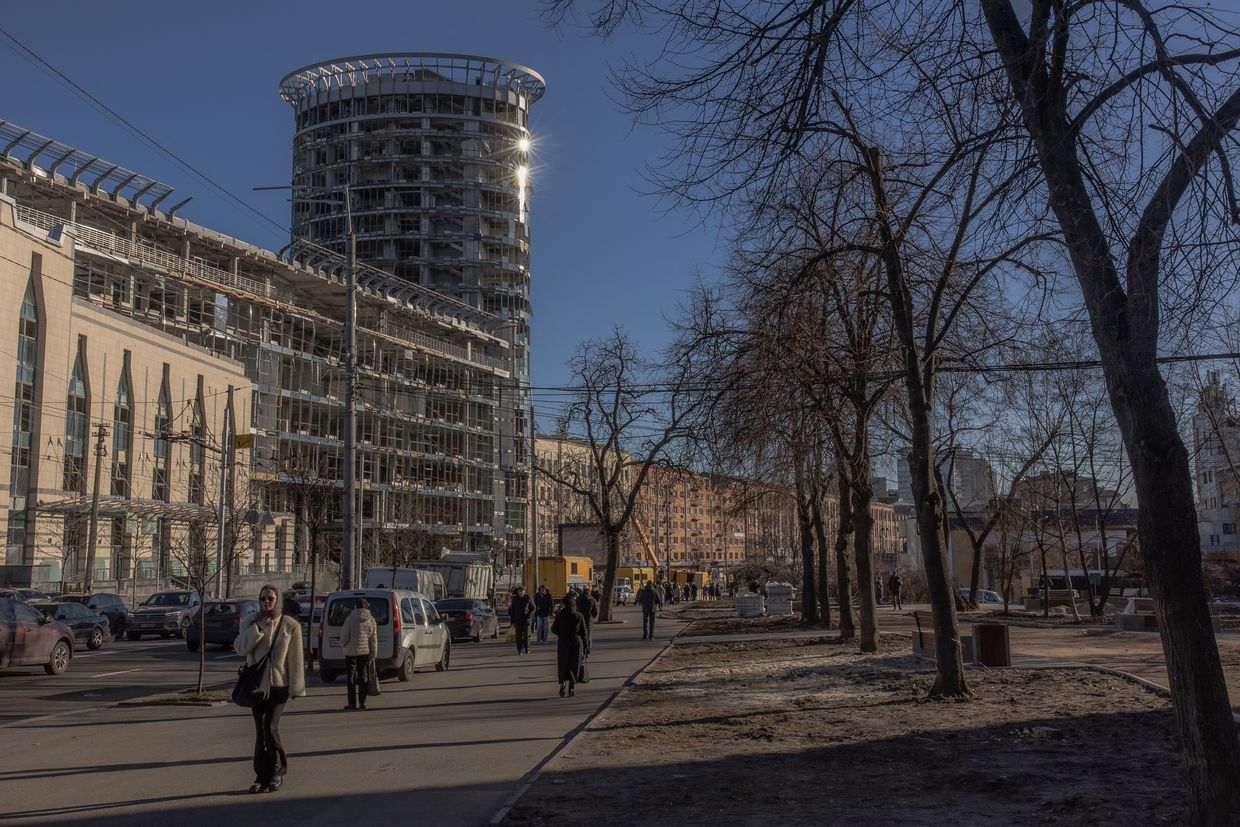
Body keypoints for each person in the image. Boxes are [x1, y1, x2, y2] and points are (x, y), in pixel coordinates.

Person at [235, 584, 304, 794]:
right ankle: (260, 776)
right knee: (260, 730)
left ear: (277, 601)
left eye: (270, 599)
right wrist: (258, 630)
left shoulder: (290, 625)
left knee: (270, 727)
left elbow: (296, 659)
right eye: (263, 598)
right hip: (257, 686)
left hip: (279, 686)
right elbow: (240, 648)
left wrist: (296, 688)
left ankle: (277, 770)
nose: (266, 602)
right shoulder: (250, 623)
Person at [339, 597, 378, 711]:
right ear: (366, 607)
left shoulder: (350, 619)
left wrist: (343, 645)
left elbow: (344, 635)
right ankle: (362, 703)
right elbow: (373, 640)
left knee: (350, 677)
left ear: (355, 606)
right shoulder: (371, 620)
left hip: (351, 652)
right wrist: (373, 654)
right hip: (365, 653)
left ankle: (351, 703)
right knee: (363, 676)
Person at [551, 593, 587, 697]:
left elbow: (553, 629)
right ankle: (572, 686)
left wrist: (561, 633)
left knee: (563, 664)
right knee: (574, 665)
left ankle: (563, 683)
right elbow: (584, 632)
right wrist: (586, 646)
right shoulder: (579, 615)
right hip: (576, 642)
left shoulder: (560, 614)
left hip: (563, 642)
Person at [575, 587, 599, 656]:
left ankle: (581, 649)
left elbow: (575, 609)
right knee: (588, 635)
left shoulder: (578, 599)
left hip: (580, 619)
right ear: (589, 592)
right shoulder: (592, 599)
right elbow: (596, 612)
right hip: (589, 620)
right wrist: (592, 617)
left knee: (580, 634)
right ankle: (588, 650)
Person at [509, 586, 533, 654]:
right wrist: (512, 622)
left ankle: (527, 648)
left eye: (522, 591)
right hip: (518, 620)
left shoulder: (528, 598)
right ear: (517, 592)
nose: (520, 593)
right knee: (518, 636)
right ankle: (520, 649)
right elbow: (512, 611)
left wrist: (529, 615)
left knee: (526, 635)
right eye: (519, 591)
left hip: (526, 620)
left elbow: (533, 608)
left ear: (524, 591)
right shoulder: (515, 599)